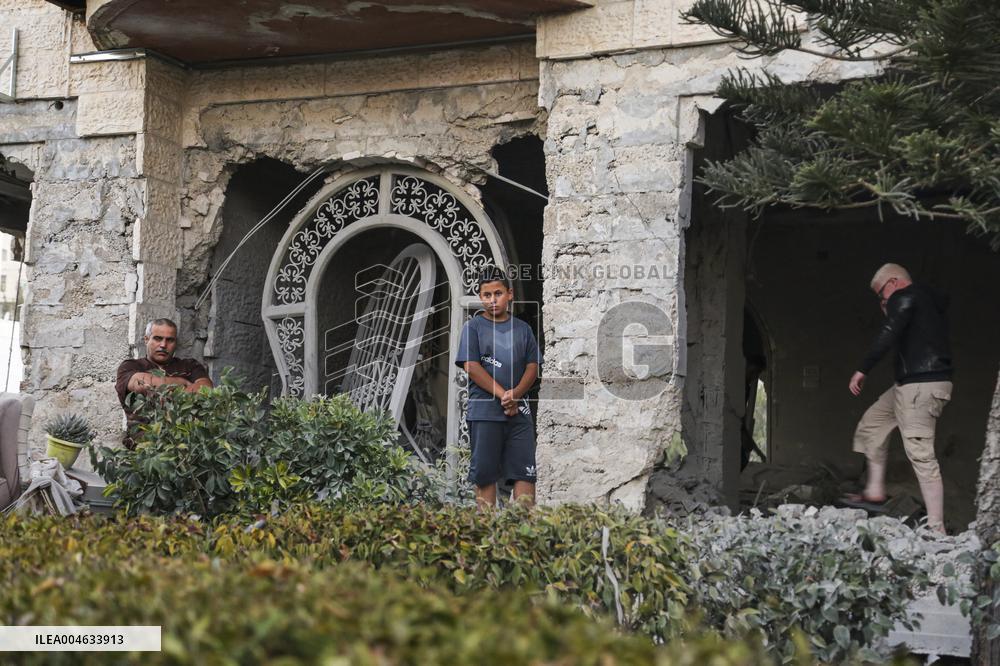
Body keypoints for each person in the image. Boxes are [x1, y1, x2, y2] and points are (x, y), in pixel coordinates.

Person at [845, 264, 953, 533]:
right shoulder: (923, 302)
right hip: (909, 384)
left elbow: (889, 332)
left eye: (882, 295)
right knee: (872, 424)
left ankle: (936, 528)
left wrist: (862, 369)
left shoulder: (905, 296)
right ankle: (874, 491)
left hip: (921, 385)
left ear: (893, 283)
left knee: (920, 453)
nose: (884, 302)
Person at [456, 268, 540, 510]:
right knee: (485, 476)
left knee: (525, 474)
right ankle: (487, 538)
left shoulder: (523, 329)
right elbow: (471, 367)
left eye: (498, 293)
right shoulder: (473, 328)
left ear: (509, 294)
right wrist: (505, 395)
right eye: (486, 295)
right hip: (485, 414)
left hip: (519, 415)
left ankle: (522, 537)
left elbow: (533, 367)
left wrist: (516, 395)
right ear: (480, 297)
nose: (492, 300)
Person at [115, 318, 214, 449]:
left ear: (176, 343)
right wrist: (183, 383)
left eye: (170, 340)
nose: (163, 345)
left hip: (186, 450)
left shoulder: (190, 366)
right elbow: (143, 384)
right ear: (146, 340)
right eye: (157, 338)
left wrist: (161, 387)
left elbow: (206, 390)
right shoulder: (131, 366)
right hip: (143, 450)